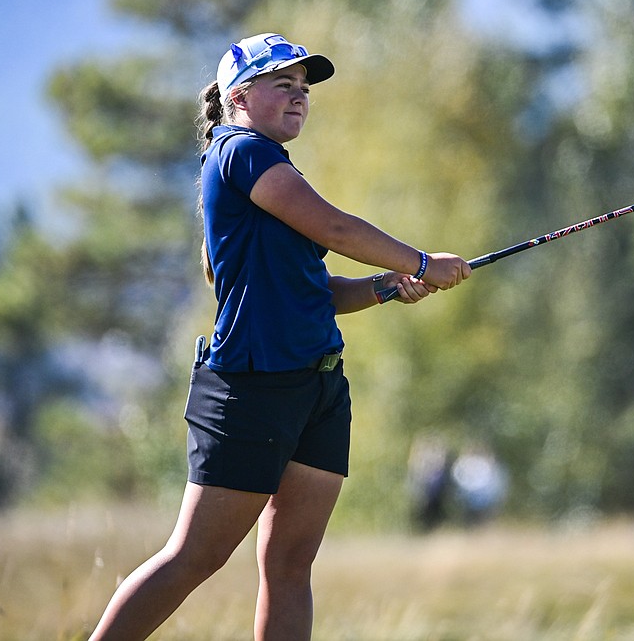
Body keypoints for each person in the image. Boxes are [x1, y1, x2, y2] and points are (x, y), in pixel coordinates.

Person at [88, 32, 471, 640]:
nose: (299, 97)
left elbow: (315, 291)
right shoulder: (239, 150)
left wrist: (387, 285)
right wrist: (422, 261)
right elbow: (334, 225)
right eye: (282, 84)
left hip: (318, 387)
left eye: (304, 88)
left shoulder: (268, 163)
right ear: (239, 98)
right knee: (194, 558)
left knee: (289, 565)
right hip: (252, 387)